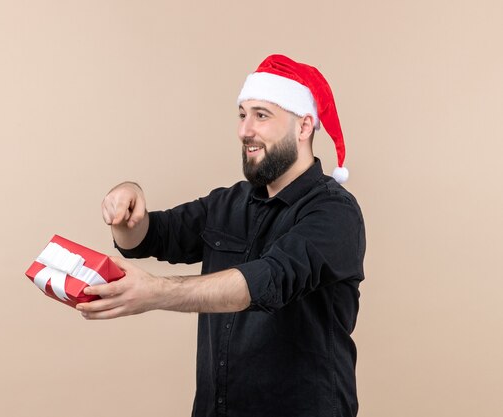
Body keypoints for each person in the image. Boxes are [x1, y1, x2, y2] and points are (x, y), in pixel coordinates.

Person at [77, 54, 366, 417]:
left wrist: (155, 292)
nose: (245, 130)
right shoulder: (228, 203)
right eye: (242, 114)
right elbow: (149, 237)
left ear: (304, 126)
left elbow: (267, 281)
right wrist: (126, 202)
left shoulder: (334, 212)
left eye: (262, 115)